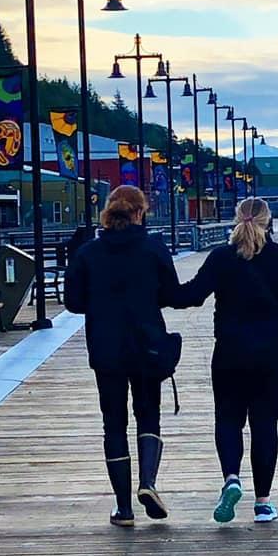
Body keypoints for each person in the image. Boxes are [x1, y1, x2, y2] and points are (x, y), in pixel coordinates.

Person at [170, 197, 278, 524]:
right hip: (274, 355)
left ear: (236, 219)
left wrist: (157, 290)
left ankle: (231, 479)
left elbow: (191, 295)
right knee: (264, 424)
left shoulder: (222, 257)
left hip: (230, 353)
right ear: (268, 220)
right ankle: (263, 503)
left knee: (228, 419)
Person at [64, 186, 180, 527]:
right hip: (148, 346)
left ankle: (124, 509)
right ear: (140, 213)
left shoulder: (88, 253)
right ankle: (148, 482)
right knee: (148, 415)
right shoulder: (153, 249)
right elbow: (171, 293)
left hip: (106, 349)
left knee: (113, 424)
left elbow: (73, 303)